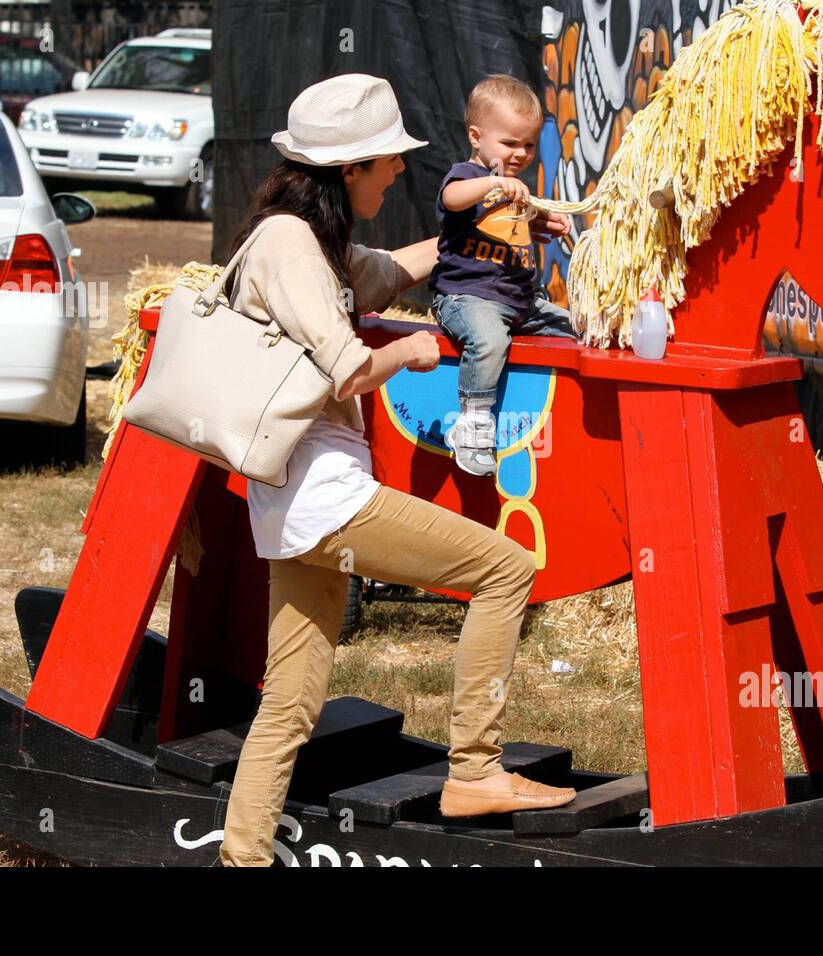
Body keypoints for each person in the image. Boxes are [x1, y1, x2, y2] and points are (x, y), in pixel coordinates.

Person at [216, 73, 577, 867]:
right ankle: (476, 770)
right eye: (388, 163)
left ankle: (238, 860)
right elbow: (346, 366)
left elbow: (376, 274)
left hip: (294, 503)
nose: (400, 174)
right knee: (506, 569)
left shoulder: (307, 241)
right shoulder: (288, 245)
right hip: (328, 495)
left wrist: (483, 229)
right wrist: (410, 350)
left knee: (291, 706)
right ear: (352, 168)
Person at [428, 74, 580, 477]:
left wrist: (543, 224)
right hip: (467, 296)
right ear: (476, 136)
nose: (521, 153)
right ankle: (473, 424)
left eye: (528, 144)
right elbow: (451, 199)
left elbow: (505, 226)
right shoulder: (466, 177)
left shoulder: (513, 189)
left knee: (579, 328)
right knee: (489, 340)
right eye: (510, 143)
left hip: (518, 301)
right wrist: (493, 182)